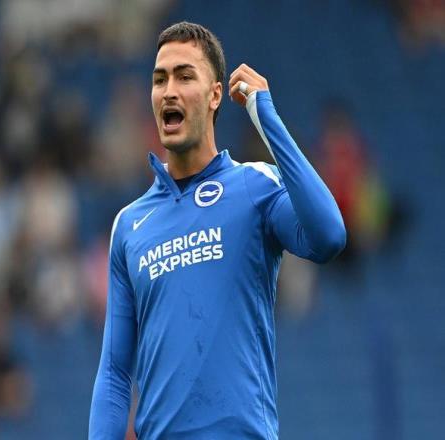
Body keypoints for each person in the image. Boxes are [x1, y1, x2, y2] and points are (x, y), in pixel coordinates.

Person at [89, 21, 346, 439]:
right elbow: (115, 374)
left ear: (214, 96)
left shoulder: (255, 186)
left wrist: (266, 118)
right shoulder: (129, 225)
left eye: (184, 76)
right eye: (159, 79)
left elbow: (329, 236)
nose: (168, 90)